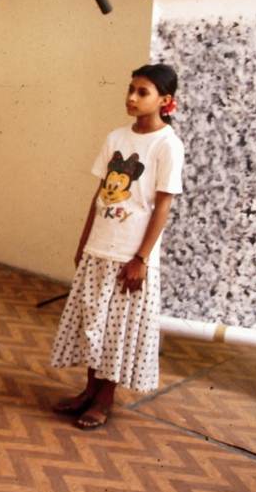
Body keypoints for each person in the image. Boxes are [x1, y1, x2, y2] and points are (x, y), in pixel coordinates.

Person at [50, 64, 185, 430]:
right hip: (99, 248)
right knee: (92, 321)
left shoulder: (167, 145)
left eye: (143, 92)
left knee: (117, 328)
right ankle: (87, 392)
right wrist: (84, 243)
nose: (131, 97)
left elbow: (163, 206)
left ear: (165, 100)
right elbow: (100, 195)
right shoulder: (115, 137)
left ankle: (105, 400)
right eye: (130, 89)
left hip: (131, 255)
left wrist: (141, 258)